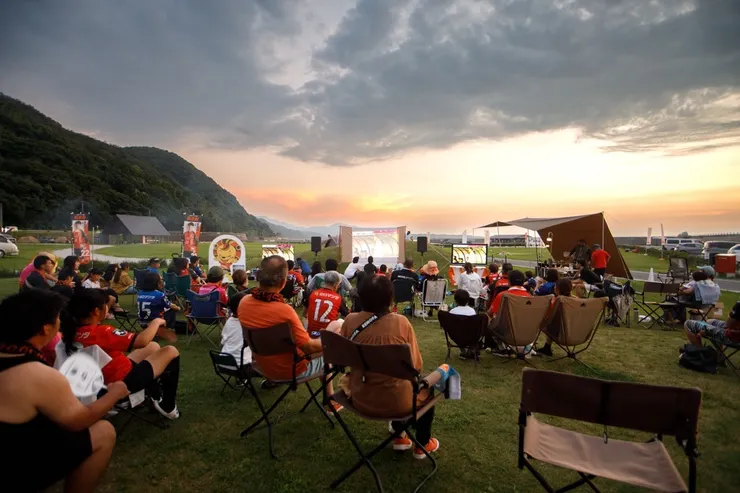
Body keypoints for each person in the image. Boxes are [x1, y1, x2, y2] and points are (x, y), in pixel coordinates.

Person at [0, 290, 126, 493]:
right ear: (46, 328)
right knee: (104, 431)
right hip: (14, 468)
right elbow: (79, 420)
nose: (61, 322)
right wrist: (115, 393)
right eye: (58, 318)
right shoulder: (36, 374)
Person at [340, 275, 440, 459]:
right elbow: (416, 366)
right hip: (397, 401)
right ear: (390, 299)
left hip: (361, 397)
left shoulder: (350, 320)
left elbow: (343, 358)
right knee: (426, 385)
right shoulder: (401, 323)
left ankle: (400, 435)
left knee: (397, 380)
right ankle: (422, 443)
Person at [238, 256, 339, 411]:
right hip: (290, 370)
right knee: (326, 356)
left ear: (257, 277)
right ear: (283, 282)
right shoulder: (284, 311)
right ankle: (331, 401)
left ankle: (271, 382)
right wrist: (331, 339)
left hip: (261, 366)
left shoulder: (244, 303)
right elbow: (309, 348)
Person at [61, 289, 181, 420]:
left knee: (153, 346)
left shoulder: (70, 334)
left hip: (104, 380)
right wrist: (156, 322)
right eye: (105, 304)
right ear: (96, 311)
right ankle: (168, 407)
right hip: (122, 384)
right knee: (171, 351)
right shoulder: (101, 333)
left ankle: (154, 395)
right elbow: (141, 341)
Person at [538, 278, 575, 356]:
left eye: (555, 286)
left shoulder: (557, 301)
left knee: (549, 323)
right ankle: (547, 346)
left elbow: (547, 315)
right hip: (574, 331)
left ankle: (546, 347)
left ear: (557, 289)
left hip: (559, 332)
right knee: (555, 322)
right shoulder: (576, 301)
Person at [137, 272, 180, 336]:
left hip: (142, 323)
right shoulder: (159, 295)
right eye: (160, 280)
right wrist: (178, 308)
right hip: (155, 323)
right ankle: (169, 328)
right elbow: (170, 305)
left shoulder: (140, 293)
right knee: (172, 309)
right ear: (157, 283)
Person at [220, 292, 255, 368]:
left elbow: (223, 342)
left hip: (223, 363)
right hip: (243, 365)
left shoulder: (229, 321)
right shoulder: (249, 324)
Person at [306, 271, 344, 338]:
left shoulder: (312, 294)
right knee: (341, 321)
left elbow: (304, 314)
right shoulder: (338, 298)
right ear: (336, 285)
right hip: (327, 335)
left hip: (311, 333)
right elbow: (347, 315)